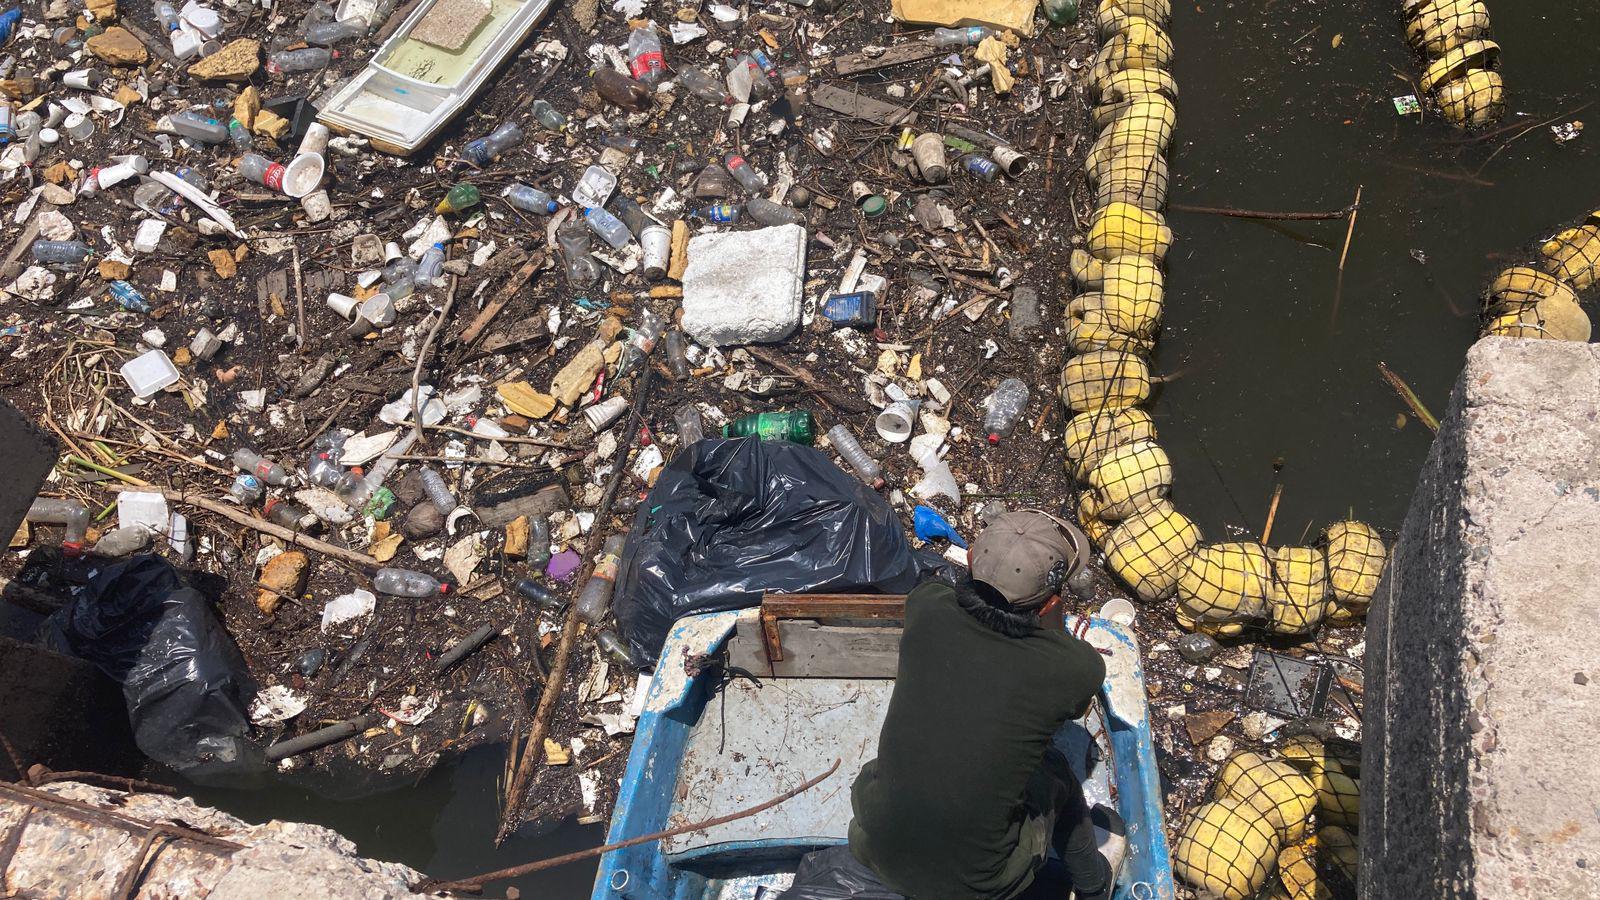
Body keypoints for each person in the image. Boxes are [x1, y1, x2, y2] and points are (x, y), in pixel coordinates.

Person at [794, 510, 1126, 900]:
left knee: (888, 769)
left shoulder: (927, 605)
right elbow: (1068, 695)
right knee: (1059, 775)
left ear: (969, 561)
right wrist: (1046, 620)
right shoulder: (1076, 668)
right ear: (1051, 603)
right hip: (978, 884)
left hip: (874, 845)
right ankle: (1094, 884)